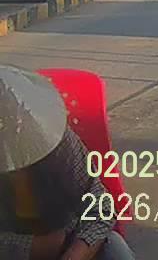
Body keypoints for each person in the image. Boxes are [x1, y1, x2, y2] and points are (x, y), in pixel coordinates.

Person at [0, 66, 133, 260]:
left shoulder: (52, 139)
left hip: (71, 238)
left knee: (116, 251)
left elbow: (100, 205)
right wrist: (34, 247)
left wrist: (76, 252)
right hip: (13, 251)